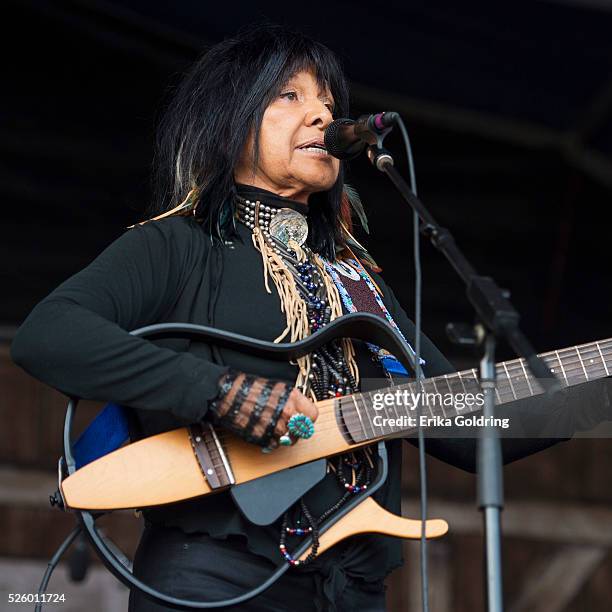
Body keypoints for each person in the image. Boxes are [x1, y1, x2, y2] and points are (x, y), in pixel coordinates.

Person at [11, 24, 612, 612]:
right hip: (215, 573)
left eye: (327, 99)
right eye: (290, 95)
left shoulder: (359, 280)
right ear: (231, 118)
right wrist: (218, 392)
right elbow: (50, 334)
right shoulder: (178, 245)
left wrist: (601, 390)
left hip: (349, 588)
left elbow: (463, 426)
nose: (323, 113)